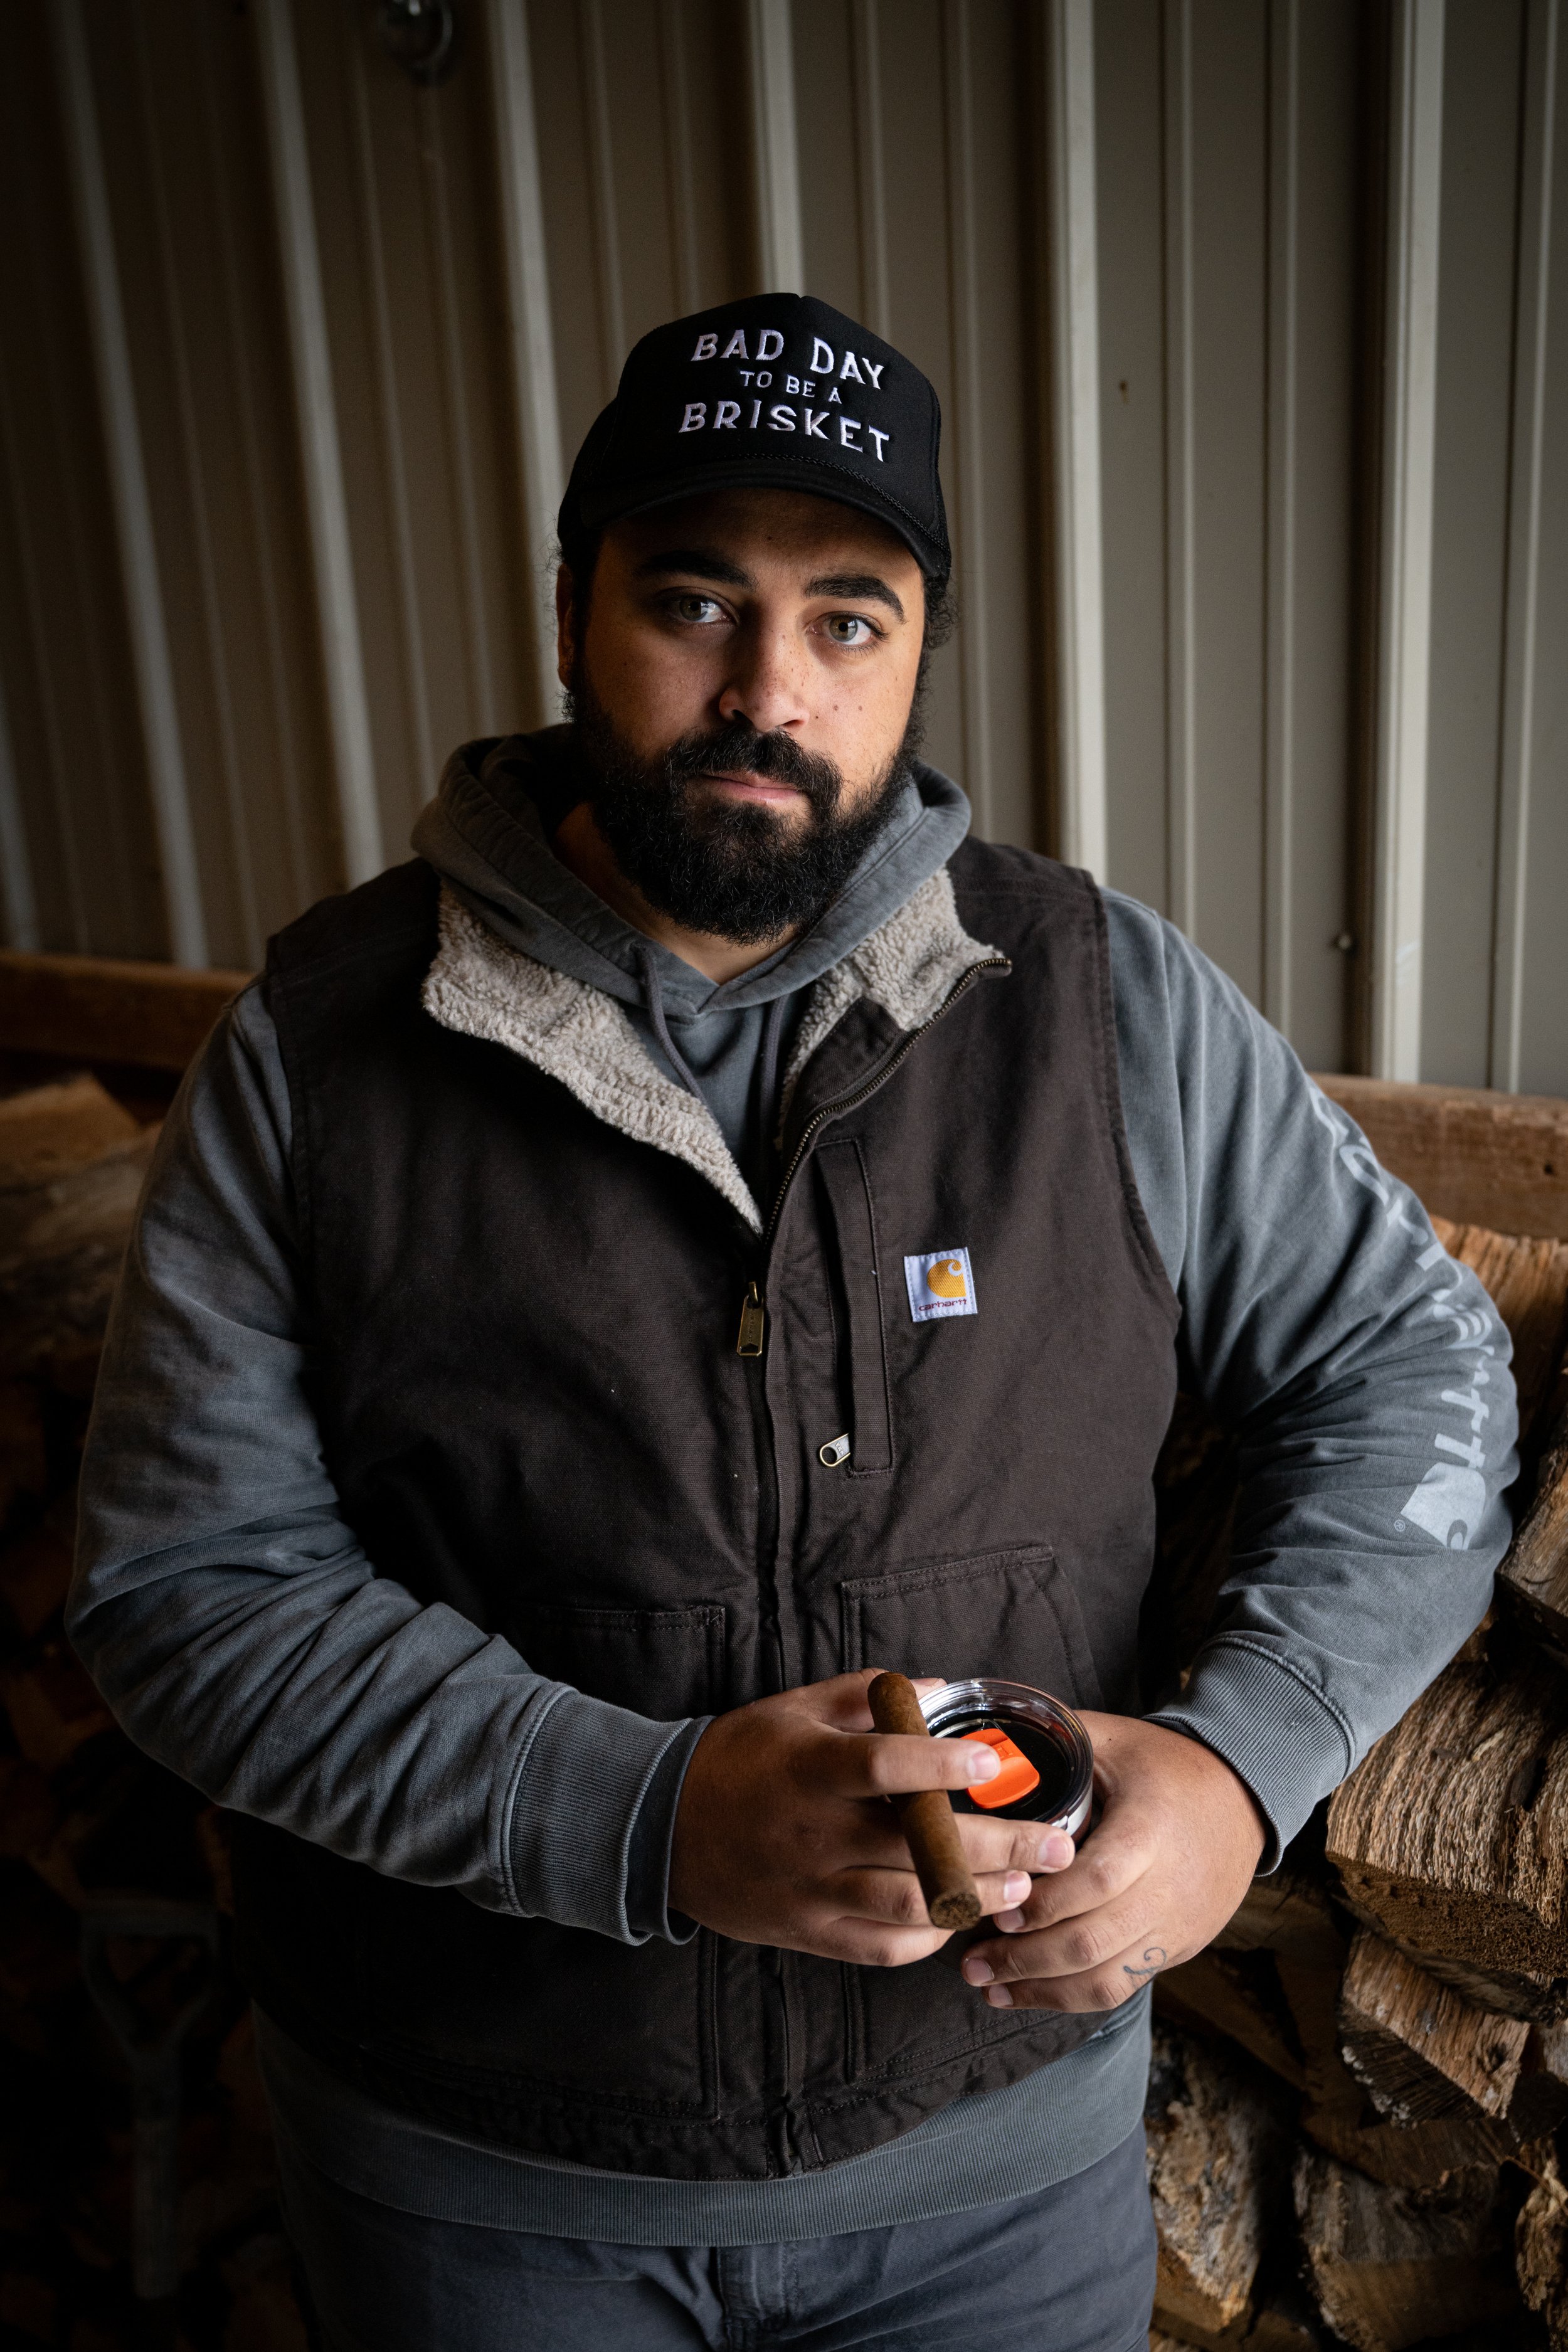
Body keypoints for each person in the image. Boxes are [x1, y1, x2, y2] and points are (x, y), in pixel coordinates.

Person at [70, 294, 1516, 2352]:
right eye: (692, 600)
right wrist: (644, 1820)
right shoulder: (321, 1046)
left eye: (848, 617)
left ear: (920, 650)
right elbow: (188, 1585)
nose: (768, 687)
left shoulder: (1100, 1003)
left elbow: (1411, 1365)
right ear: (571, 608)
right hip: (482, 2203)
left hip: (997, 2200)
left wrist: (1235, 1765)